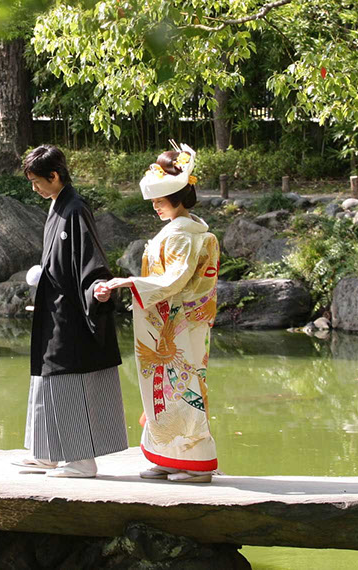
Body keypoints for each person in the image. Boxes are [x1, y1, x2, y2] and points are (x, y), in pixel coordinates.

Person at [94, 141, 220, 483]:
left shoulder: (182, 234)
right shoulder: (185, 230)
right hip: (173, 319)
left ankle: (194, 462)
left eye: (160, 203)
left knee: (182, 385)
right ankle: (167, 456)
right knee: (164, 387)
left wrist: (126, 282)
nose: (155, 209)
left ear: (178, 199)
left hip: (179, 322)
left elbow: (173, 279)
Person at [13, 144, 127, 478]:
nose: (35, 188)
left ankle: (81, 459)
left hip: (71, 309)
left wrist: (98, 290)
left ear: (56, 175)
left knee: (66, 377)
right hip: (54, 306)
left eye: (38, 181)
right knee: (46, 376)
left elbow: (90, 259)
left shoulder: (75, 209)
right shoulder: (57, 206)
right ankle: (46, 453)